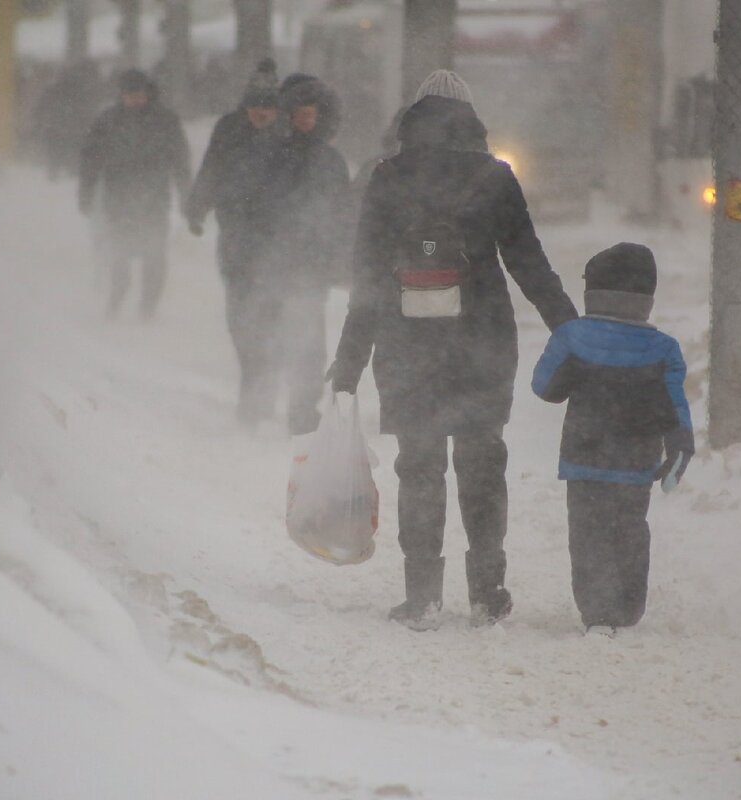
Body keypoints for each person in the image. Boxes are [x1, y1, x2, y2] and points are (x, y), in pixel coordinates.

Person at [329, 70, 578, 631]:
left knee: (419, 465)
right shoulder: (494, 177)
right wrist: (570, 329)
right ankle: (488, 592)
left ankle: (421, 596)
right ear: (472, 121)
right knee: (482, 460)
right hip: (481, 342)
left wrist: (349, 361)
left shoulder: (387, 177)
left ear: (411, 120)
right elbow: (529, 263)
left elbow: (367, 277)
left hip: (404, 339)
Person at [530, 242, 694, 638]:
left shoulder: (573, 336)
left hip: (584, 459)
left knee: (588, 535)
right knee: (630, 531)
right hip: (634, 465)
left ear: (592, 291)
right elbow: (675, 410)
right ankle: (628, 606)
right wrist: (679, 448)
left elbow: (545, 388)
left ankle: (598, 613)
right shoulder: (664, 349)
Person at [242, 74, 350, 434]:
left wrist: (338, 258)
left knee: (308, 343)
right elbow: (251, 207)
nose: (306, 120)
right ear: (287, 115)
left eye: (311, 114)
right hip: (274, 263)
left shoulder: (330, 160)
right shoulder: (268, 154)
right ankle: (260, 402)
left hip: (310, 267)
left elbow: (342, 214)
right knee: (270, 335)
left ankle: (303, 410)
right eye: (299, 113)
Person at [185, 59, 284, 426]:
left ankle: (262, 388)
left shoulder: (289, 135)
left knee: (270, 317)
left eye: (268, 108)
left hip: (277, 239)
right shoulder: (228, 129)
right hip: (236, 236)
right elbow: (211, 168)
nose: (261, 114)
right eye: (255, 107)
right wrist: (197, 207)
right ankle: (253, 371)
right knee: (240, 315)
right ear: (245, 107)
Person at [79, 69, 190, 318]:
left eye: (139, 94)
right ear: (121, 95)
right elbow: (90, 159)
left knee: (154, 252)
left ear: (147, 93)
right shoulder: (107, 121)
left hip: (155, 198)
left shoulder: (165, 121)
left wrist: (186, 194)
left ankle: (148, 307)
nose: (135, 99)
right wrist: (86, 192)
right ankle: (117, 296)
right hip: (117, 198)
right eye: (129, 95)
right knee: (119, 252)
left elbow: (180, 160)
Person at [33, 58, 102, 180]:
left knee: (55, 153)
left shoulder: (53, 89)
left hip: (56, 128)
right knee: (72, 154)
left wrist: (39, 121)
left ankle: (54, 174)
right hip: (73, 129)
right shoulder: (80, 90)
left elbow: (41, 107)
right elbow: (87, 109)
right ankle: (70, 174)